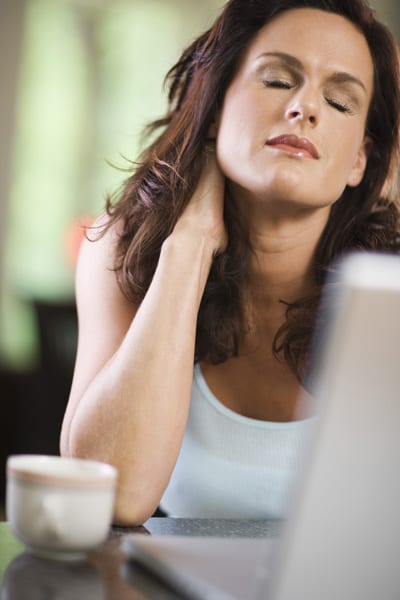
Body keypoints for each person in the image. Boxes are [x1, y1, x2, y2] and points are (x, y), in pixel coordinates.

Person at [60, 0, 400, 525]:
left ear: (359, 158)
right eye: (278, 80)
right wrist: (189, 245)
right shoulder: (123, 251)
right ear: (216, 109)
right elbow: (105, 500)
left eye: (338, 100)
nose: (305, 107)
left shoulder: (390, 288)